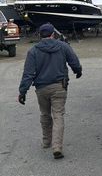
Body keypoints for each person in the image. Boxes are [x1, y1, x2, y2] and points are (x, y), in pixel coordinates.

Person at [17, 23, 82, 159]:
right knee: (58, 115)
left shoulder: (33, 51)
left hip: (41, 88)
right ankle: (57, 146)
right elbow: (74, 61)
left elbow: (28, 74)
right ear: (53, 34)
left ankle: (47, 141)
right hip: (59, 86)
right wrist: (78, 71)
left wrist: (22, 92)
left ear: (40, 35)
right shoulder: (63, 46)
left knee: (45, 114)